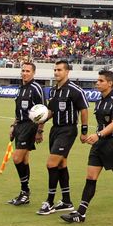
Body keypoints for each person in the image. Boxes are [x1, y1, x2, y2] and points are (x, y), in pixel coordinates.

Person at [61, 70, 113, 223]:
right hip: (98, 144)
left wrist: (99, 134)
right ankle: (81, 213)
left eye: (100, 81)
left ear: (110, 83)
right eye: (97, 80)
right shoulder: (99, 101)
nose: (97, 83)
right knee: (90, 177)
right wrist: (94, 136)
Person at [36, 60, 88, 215]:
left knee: (51, 164)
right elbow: (50, 111)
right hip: (55, 130)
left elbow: (84, 110)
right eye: (55, 70)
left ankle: (50, 202)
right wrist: (40, 127)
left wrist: (84, 131)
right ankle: (66, 201)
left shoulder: (74, 90)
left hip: (68, 130)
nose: (56, 72)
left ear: (67, 72)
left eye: (59, 70)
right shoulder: (53, 91)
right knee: (60, 164)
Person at [7, 61, 45, 206]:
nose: (25, 73)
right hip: (20, 126)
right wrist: (13, 126)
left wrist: (40, 131)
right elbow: (18, 111)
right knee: (23, 160)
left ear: (33, 73)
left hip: (30, 126)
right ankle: (24, 194)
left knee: (17, 158)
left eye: (28, 71)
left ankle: (25, 191)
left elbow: (43, 110)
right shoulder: (21, 88)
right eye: (23, 70)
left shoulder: (36, 88)